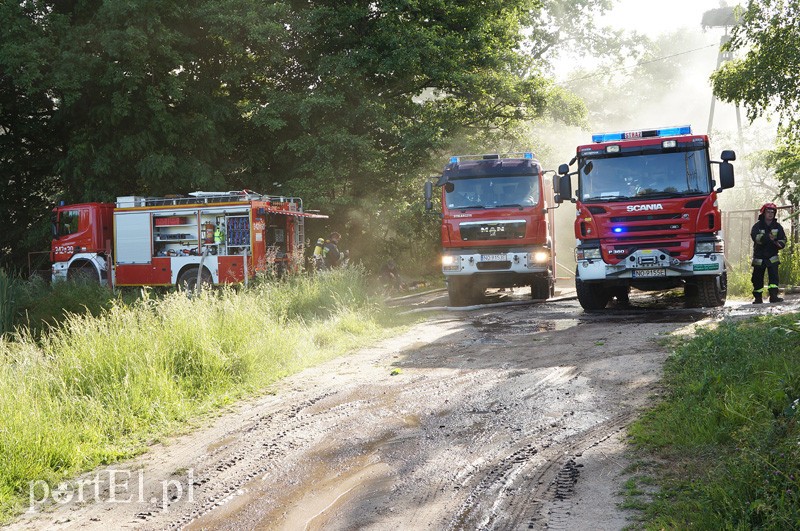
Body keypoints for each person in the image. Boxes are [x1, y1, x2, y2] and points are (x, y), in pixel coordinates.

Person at [750, 202, 787, 304]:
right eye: (768, 211)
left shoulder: (778, 226)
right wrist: (767, 237)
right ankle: (758, 298)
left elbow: (783, 239)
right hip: (759, 257)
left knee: (774, 279)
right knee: (757, 278)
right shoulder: (757, 226)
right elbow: (755, 238)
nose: (770, 214)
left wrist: (779, 244)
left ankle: (774, 297)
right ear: (763, 213)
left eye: (772, 212)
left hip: (772, 257)